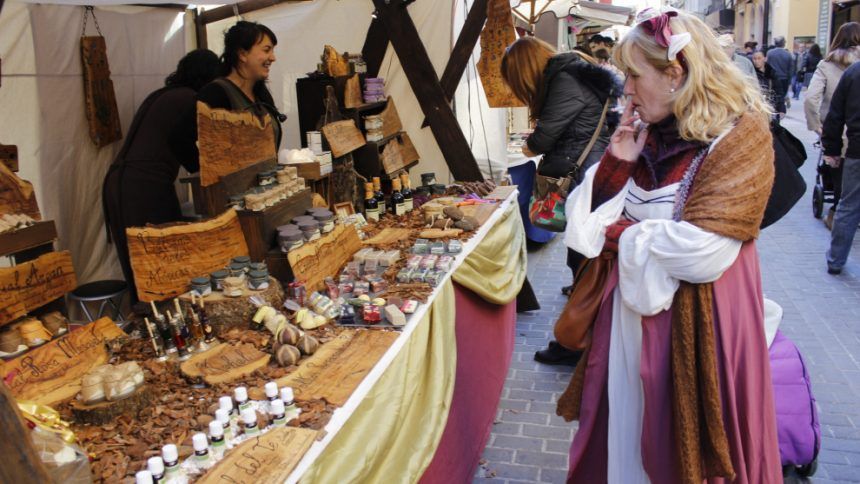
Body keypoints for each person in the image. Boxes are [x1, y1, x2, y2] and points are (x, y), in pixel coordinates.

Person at [556, 8, 780, 482]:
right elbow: (580, 224)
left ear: (675, 73)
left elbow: (704, 251)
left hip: (706, 319)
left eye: (635, 76)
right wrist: (617, 163)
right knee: (625, 430)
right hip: (630, 319)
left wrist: (620, 234)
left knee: (684, 445)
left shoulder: (741, 137)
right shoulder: (646, 134)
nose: (627, 91)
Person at [501, 36, 618, 366]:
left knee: (585, 254)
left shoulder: (565, 80)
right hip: (592, 169)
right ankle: (580, 327)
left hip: (582, 174)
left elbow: (543, 138)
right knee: (581, 251)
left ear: (525, 71)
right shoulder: (575, 71)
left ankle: (575, 342)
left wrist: (528, 147)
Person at [102, 49, 221, 302]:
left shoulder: (162, 94)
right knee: (159, 257)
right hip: (143, 186)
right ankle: (157, 317)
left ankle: (147, 312)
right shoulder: (189, 98)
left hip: (119, 182)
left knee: (134, 256)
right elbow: (188, 149)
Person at [804, 22, 860, 228]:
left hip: (835, 131)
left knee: (838, 175)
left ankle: (836, 212)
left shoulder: (826, 65)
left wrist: (817, 126)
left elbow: (811, 98)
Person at [197, 21, 283, 149]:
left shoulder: (261, 94)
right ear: (242, 54)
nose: (273, 58)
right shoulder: (216, 93)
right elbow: (180, 139)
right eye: (266, 50)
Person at [822, 61, 860, 275]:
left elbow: (835, 115)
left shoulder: (853, 72)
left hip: (857, 149)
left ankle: (836, 259)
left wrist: (832, 148)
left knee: (849, 206)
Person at [753, 50, 787, 115]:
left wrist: (781, 107)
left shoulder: (772, 73)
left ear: (765, 59)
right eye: (754, 59)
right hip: (757, 107)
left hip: (771, 106)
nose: (756, 61)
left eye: (759, 58)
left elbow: (779, 91)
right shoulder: (752, 73)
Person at [766, 36, 793, 105]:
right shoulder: (788, 54)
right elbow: (790, 69)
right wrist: (789, 80)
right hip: (784, 78)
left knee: (772, 94)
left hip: (772, 78)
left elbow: (767, 65)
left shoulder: (769, 53)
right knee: (782, 95)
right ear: (783, 44)